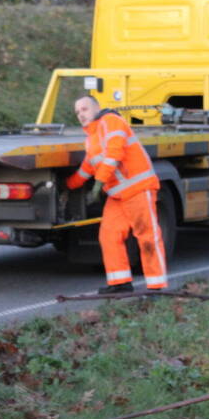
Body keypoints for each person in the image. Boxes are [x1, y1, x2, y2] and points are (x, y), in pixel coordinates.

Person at [65, 95, 168, 294]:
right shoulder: (91, 138)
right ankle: (120, 283)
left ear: (97, 108)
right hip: (118, 195)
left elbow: (114, 154)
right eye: (77, 112)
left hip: (139, 190)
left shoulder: (111, 121)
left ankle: (156, 288)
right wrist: (69, 185)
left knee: (147, 237)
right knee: (109, 235)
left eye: (84, 109)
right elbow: (87, 168)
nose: (81, 115)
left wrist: (98, 185)